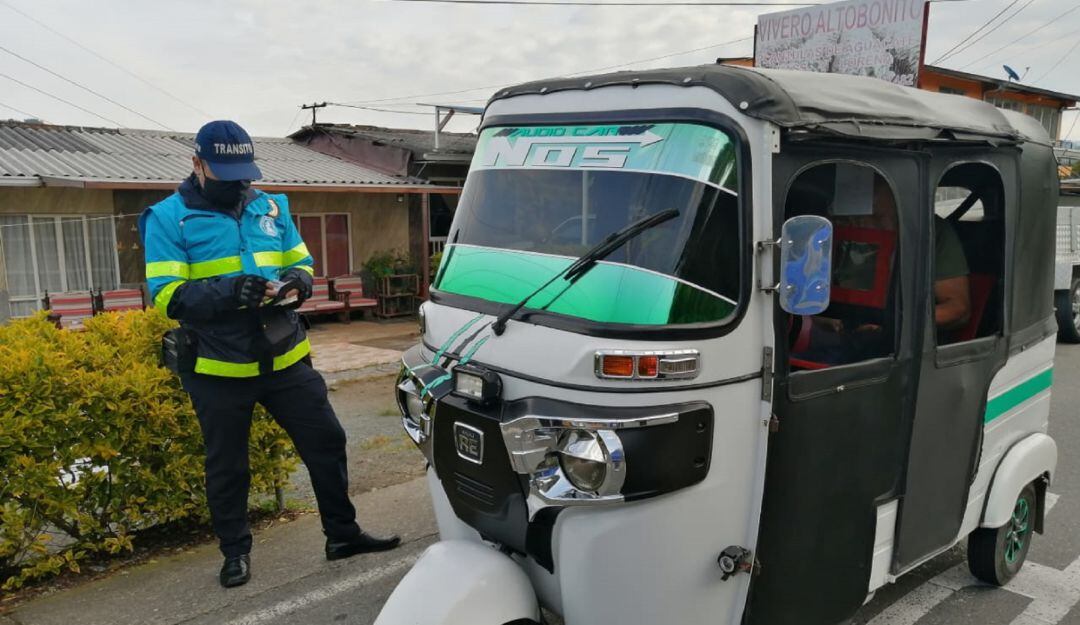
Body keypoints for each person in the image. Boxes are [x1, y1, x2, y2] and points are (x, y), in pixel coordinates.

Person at [139, 120, 399, 589]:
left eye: (243, 170)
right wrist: (232, 290)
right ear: (196, 164)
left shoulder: (272, 207)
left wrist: (299, 282)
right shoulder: (167, 217)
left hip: (284, 358)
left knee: (327, 442)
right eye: (223, 171)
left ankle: (342, 535)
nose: (239, 182)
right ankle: (235, 553)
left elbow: (299, 260)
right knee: (228, 465)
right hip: (217, 367)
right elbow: (167, 296)